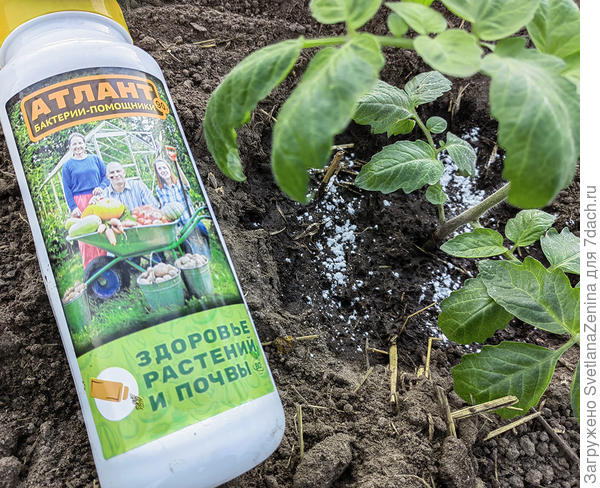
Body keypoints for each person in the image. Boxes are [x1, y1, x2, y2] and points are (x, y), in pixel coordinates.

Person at [61, 132, 109, 268]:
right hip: (80, 202)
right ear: (70, 147)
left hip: (97, 199)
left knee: (102, 230)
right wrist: (73, 207)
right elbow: (67, 189)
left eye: (80, 143)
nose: (78, 146)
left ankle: (107, 263)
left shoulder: (95, 159)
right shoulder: (67, 166)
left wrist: (101, 187)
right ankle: (91, 268)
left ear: (84, 144)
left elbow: (106, 177)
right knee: (86, 236)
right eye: (74, 144)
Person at [153, 158, 210, 257]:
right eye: (159, 169)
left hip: (191, 220)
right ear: (158, 173)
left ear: (169, 168)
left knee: (202, 230)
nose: (163, 170)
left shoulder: (179, 182)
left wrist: (176, 163)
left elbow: (187, 185)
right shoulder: (159, 189)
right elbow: (165, 210)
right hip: (178, 226)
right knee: (189, 249)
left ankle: (205, 252)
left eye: (164, 167)